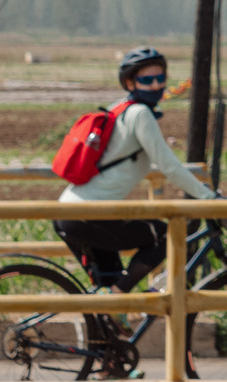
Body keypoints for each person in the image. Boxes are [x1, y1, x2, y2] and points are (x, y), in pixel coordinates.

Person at [54, 45, 216, 290]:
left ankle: (110, 313)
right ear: (130, 83)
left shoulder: (121, 109)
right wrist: (209, 197)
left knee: (107, 300)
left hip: (71, 212)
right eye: (146, 80)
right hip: (89, 215)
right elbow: (169, 167)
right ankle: (123, 295)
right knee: (167, 235)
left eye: (160, 78)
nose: (155, 86)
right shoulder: (140, 114)